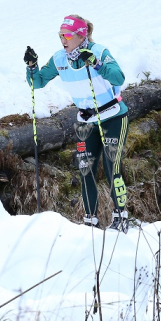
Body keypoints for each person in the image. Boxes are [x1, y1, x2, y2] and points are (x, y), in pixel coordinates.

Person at [24, 15, 131, 232]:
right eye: (60, 35)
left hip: (112, 116)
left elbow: (118, 78)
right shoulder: (59, 59)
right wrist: (31, 66)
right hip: (86, 120)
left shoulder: (99, 51)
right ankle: (90, 220)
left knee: (111, 166)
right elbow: (38, 82)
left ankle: (121, 216)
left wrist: (97, 64)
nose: (62, 40)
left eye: (67, 35)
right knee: (85, 169)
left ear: (81, 36)